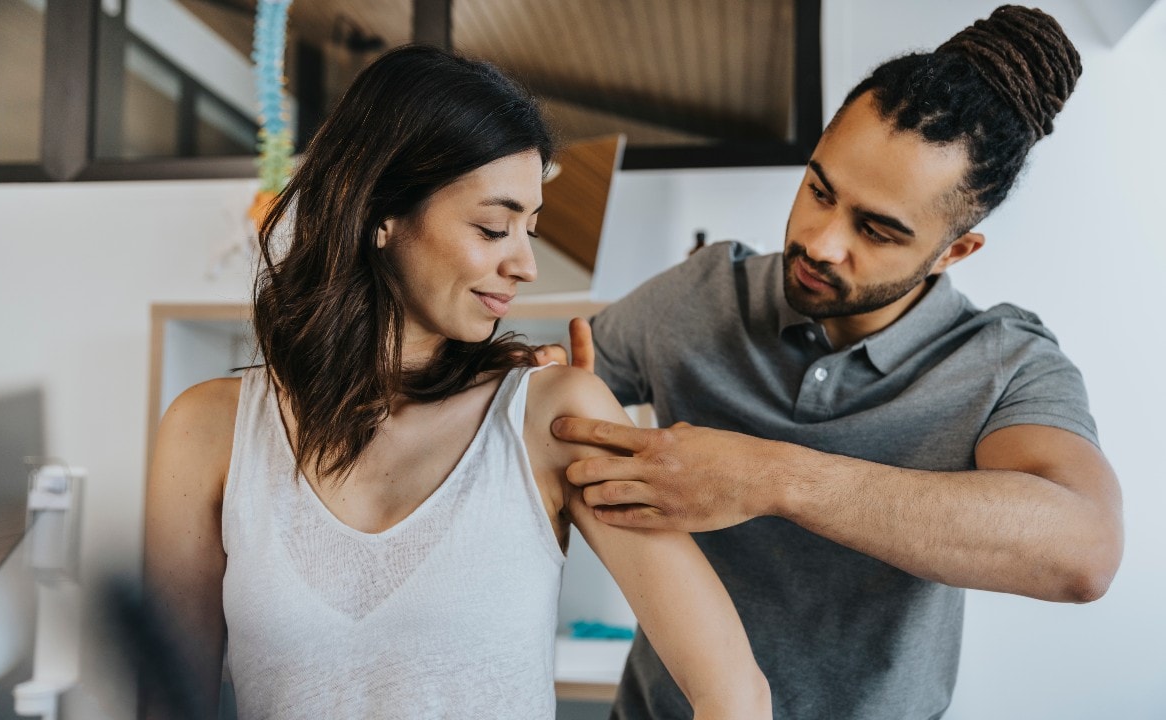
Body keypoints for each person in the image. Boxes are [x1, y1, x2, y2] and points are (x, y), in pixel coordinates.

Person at [144, 45, 771, 720]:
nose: (526, 264)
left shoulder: (553, 416)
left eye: (530, 229)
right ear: (380, 210)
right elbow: (163, 702)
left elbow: (732, 694)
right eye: (494, 227)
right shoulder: (208, 430)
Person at [548, 6, 1123, 720]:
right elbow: (545, 389)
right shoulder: (699, 296)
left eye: (876, 229)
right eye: (819, 190)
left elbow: (1084, 551)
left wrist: (771, 477)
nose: (820, 242)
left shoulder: (1003, 365)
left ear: (953, 252)